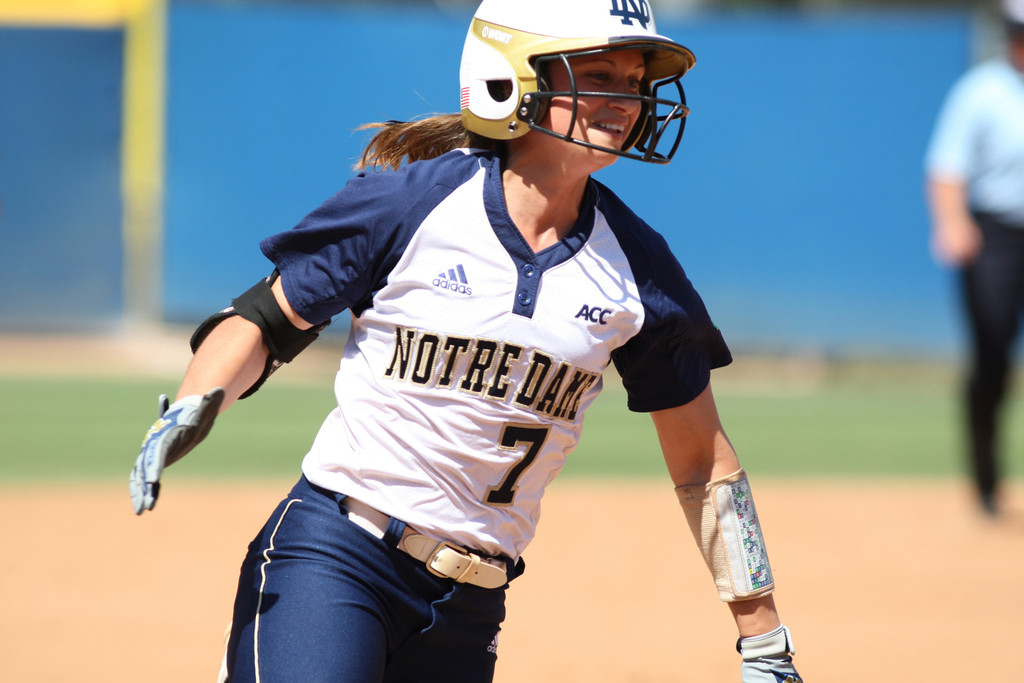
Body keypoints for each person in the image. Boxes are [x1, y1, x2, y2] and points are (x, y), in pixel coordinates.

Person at [129, 1, 802, 681]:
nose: (623, 100)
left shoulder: (639, 267)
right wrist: (192, 402)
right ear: (513, 76)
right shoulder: (410, 203)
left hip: (470, 605)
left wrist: (764, 635)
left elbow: (703, 463)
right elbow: (260, 322)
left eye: (633, 82)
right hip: (337, 555)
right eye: (598, 73)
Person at [925, 0, 1024, 516]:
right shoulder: (982, 92)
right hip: (997, 236)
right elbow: (946, 167)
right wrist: (953, 223)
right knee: (993, 356)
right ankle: (986, 483)